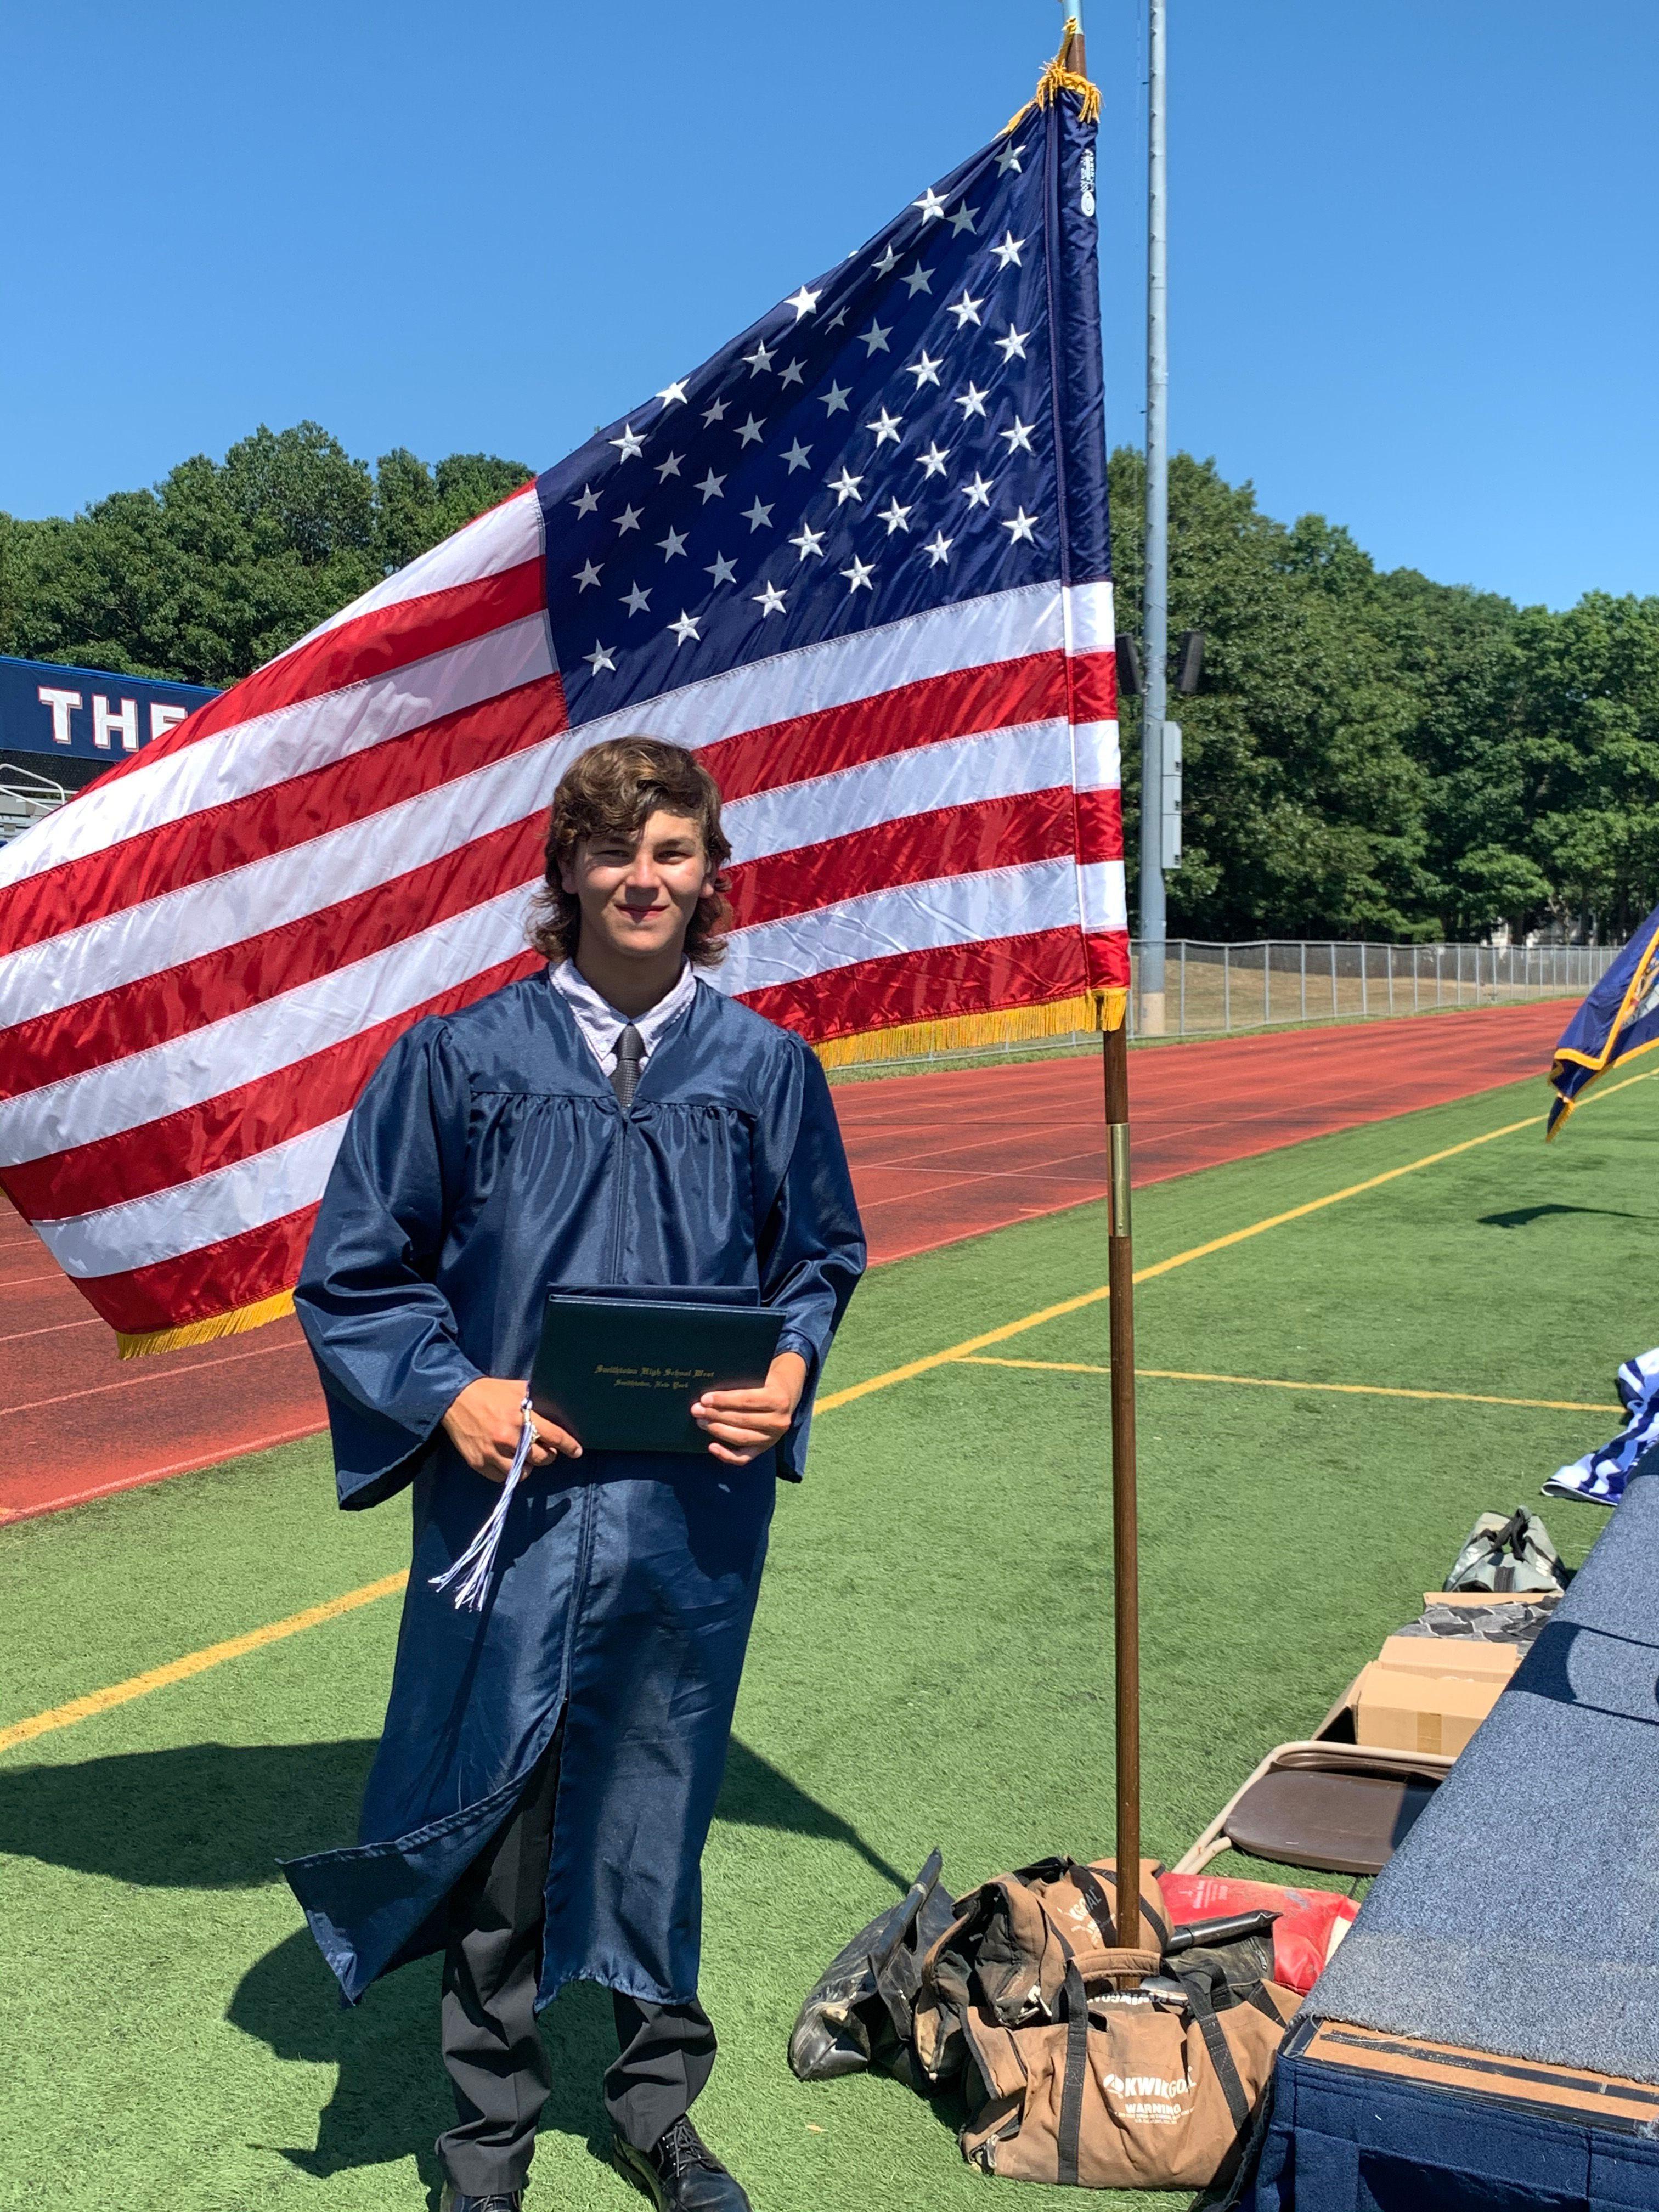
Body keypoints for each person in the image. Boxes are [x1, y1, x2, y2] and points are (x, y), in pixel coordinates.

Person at [283, 737, 866, 2212]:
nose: (643, 880)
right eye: (614, 853)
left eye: (672, 853)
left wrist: (792, 1370)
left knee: (659, 1803)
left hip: (688, 1518)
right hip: (512, 1510)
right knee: (500, 1810)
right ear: (567, 871)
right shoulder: (460, 1060)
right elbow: (358, 1272)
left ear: (709, 873)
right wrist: (449, 1392)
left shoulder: (766, 1069)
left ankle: (656, 2108)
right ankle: (486, 2139)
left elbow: (819, 1258)